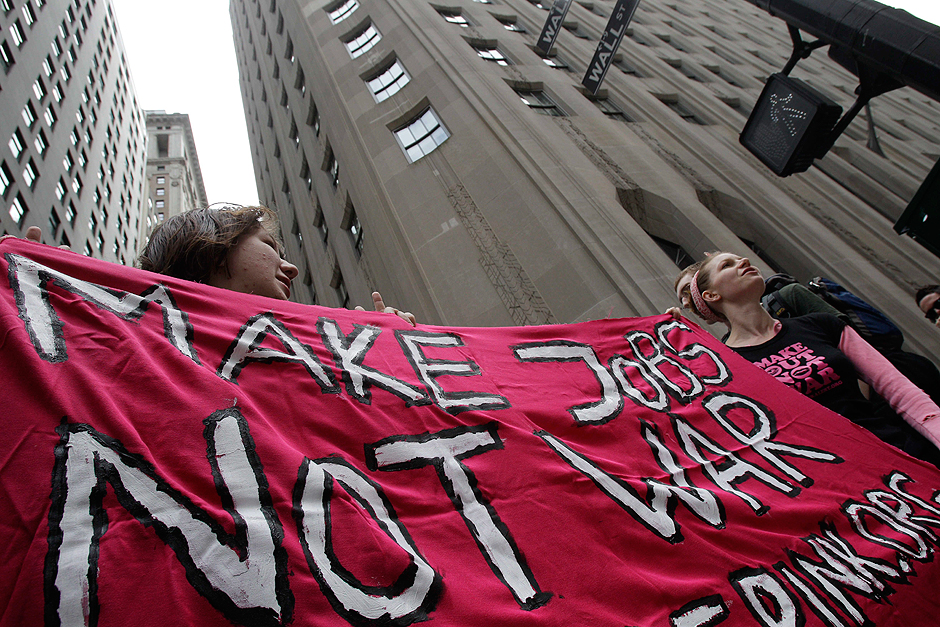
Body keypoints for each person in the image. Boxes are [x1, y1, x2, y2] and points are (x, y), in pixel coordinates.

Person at [677, 251, 940, 466]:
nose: (743, 261)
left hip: (898, 450)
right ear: (711, 295)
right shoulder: (728, 364)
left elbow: (898, 389)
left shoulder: (821, 324)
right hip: (841, 479)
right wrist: (668, 340)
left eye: (740, 258)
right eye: (727, 265)